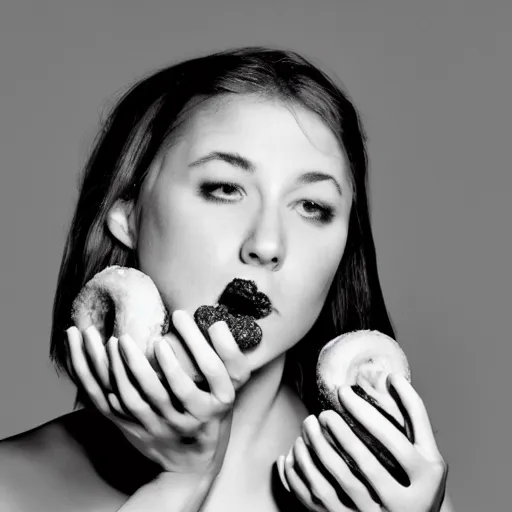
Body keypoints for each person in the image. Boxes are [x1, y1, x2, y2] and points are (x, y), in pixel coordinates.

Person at [0, 47, 454, 511]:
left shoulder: (390, 494)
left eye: (311, 206)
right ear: (128, 215)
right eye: (224, 189)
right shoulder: (12, 486)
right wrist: (182, 482)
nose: (268, 243)